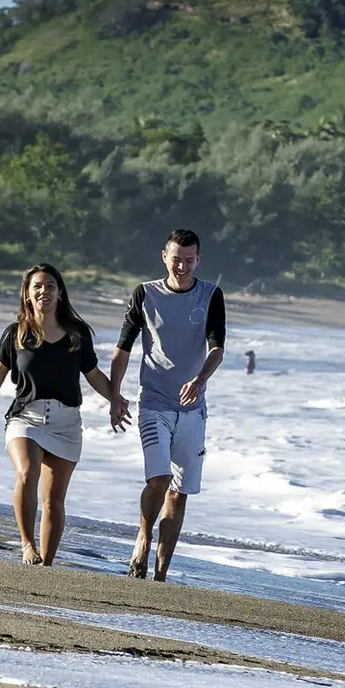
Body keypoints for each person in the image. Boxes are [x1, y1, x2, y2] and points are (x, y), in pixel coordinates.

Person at [0, 263, 128, 566]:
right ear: (27, 294)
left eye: (51, 285)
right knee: (27, 473)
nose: (44, 291)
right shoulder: (15, 335)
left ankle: (47, 565)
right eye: (37, 286)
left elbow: (93, 375)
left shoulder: (77, 334)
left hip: (67, 423)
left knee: (53, 501)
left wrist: (116, 400)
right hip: (25, 417)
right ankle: (27, 544)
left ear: (60, 292)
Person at [108, 228, 226, 581]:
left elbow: (217, 348)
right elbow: (123, 348)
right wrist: (115, 395)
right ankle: (143, 540)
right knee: (158, 480)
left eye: (189, 260)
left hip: (193, 410)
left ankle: (160, 574)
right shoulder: (145, 294)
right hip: (154, 404)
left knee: (179, 492)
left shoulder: (211, 295)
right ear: (164, 256)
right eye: (177, 259)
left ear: (198, 260)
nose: (182, 267)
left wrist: (201, 378)